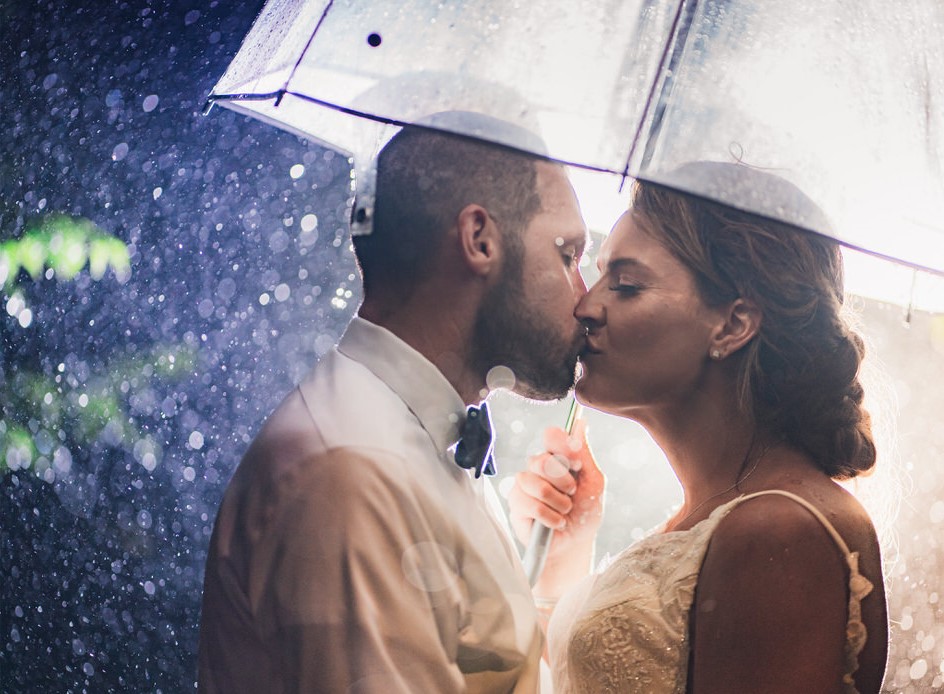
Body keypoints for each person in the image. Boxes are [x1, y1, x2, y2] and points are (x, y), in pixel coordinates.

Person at [197, 121, 590, 693]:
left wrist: (552, 578)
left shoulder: (417, 439)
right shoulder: (349, 471)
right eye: (567, 255)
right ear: (480, 238)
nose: (583, 297)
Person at [508, 162, 889, 693]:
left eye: (625, 285)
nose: (586, 305)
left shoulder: (778, 530)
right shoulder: (717, 511)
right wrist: (567, 557)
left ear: (732, 324)